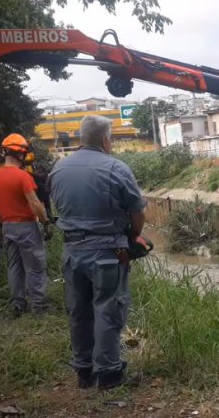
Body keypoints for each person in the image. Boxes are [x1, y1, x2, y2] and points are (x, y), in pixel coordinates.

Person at [50, 115, 146, 391]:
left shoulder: (58, 170)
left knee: (79, 311)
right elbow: (137, 211)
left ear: (82, 138)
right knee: (108, 309)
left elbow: (56, 206)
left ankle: (84, 372)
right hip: (107, 252)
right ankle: (109, 374)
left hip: (72, 251)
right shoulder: (115, 167)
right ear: (105, 140)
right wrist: (131, 236)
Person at [0, 133, 51, 316]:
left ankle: (18, 302)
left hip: (7, 226)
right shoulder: (22, 177)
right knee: (35, 266)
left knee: (14, 265)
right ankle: (39, 305)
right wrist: (45, 220)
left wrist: (1, 223)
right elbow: (34, 202)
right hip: (26, 226)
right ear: (20, 154)